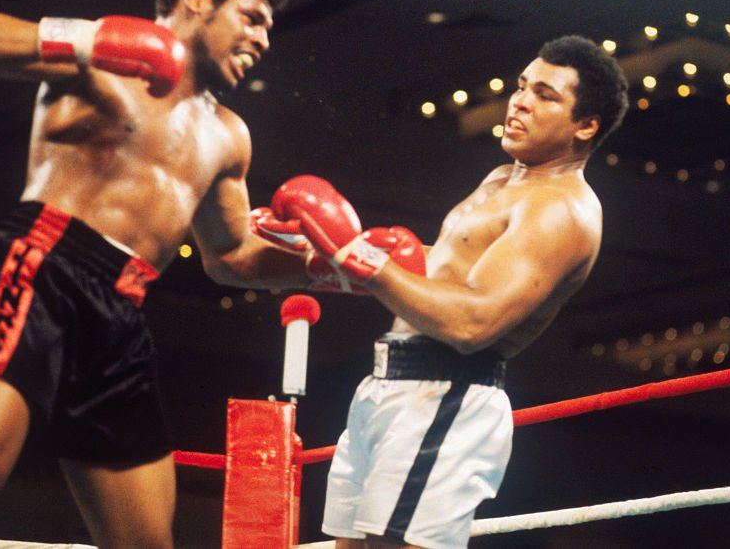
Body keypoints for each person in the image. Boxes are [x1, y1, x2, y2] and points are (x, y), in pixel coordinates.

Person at [0, 0, 310, 549]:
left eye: (269, 27)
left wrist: (331, 265)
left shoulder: (229, 136)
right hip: (40, 267)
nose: (263, 39)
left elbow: (232, 257)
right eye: (252, 17)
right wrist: (88, 40)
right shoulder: (104, 55)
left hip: (122, 313)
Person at [254, 35, 629, 549]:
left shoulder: (561, 210)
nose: (519, 101)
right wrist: (322, 254)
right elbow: (434, 271)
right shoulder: (502, 179)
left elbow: (472, 325)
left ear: (586, 125)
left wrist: (360, 258)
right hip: (392, 384)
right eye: (521, 86)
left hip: (447, 393)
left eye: (545, 95)